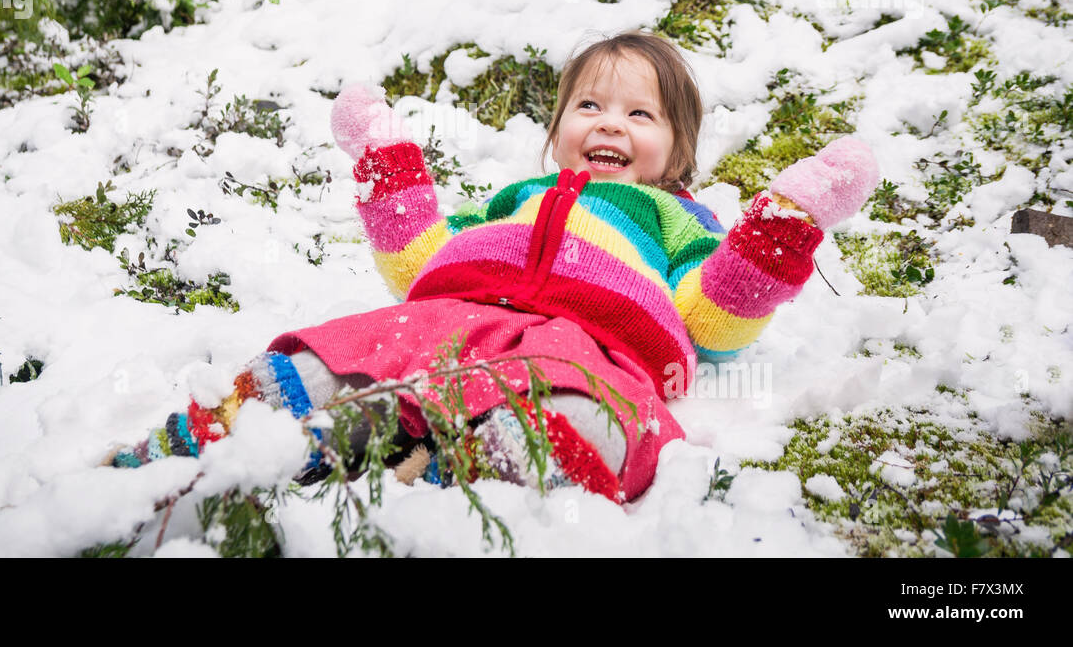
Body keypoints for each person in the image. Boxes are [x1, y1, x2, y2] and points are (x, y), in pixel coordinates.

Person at [105, 30, 879, 504]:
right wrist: (390, 165)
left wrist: (784, 225)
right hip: (448, 319)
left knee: (580, 416)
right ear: (558, 132)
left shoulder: (675, 217)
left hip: (585, 346)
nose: (610, 122)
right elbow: (423, 263)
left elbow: (712, 320)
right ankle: (226, 435)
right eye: (590, 108)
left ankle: (448, 468)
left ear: (677, 152)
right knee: (326, 355)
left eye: (640, 115)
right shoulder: (513, 197)